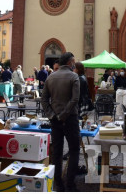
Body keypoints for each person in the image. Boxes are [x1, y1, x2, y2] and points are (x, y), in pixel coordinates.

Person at [41, 52, 80, 192]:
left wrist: (52, 114)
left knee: (57, 151)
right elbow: (75, 99)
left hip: (55, 119)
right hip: (70, 118)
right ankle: (70, 183)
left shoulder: (50, 77)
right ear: (70, 62)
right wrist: (64, 114)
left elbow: (44, 99)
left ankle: (58, 183)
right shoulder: (74, 76)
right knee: (74, 150)